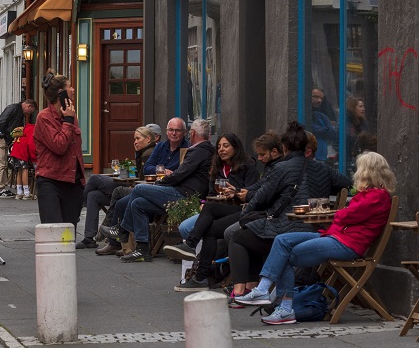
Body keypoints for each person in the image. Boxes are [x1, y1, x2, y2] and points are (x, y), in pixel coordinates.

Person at [236, 151, 395, 325]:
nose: (356, 173)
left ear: (366, 171)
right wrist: (341, 214)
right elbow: (345, 216)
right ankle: (263, 289)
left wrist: (341, 214)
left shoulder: (376, 197)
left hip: (346, 244)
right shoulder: (370, 195)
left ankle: (285, 308)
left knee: (287, 255)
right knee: (282, 240)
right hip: (336, 236)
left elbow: (346, 216)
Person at [226, 121, 350, 301]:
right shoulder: (323, 168)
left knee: (238, 237)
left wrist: (245, 216)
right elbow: (348, 184)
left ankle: (241, 291)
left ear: (284, 148)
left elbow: (260, 199)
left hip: (284, 230)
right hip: (314, 232)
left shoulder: (281, 168)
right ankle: (255, 289)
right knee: (251, 233)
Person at [105, 118, 214, 263]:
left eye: (178, 130)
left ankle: (122, 230)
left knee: (139, 188)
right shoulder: (199, 149)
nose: (174, 133)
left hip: (184, 196)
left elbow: (179, 174)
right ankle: (143, 250)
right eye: (171, 130)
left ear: (191, 133)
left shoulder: (199, 151)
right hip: (179, 191)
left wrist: (160, 182)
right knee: (138, 203)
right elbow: (159, 169)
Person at [168, 132, 260, 290]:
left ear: (235, 147)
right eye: (219, 147)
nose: (221, 150)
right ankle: (201, 277)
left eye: (226, 146)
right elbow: (211, 193)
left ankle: (191, 245)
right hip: (219, 209)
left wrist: (236, 191)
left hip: (242, 209)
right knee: (208, 225)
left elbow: (253, 194)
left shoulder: (248, 166)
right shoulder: (217, 166)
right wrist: (205, 202)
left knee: (208, 217)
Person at [78, 125, 158, 250]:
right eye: (134, 139)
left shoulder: (148, 153)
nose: (135, 142)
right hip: (132, 185)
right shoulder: (143, 152)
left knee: (94, 179)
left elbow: (144, 179)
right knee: (93, 195)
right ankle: (89, 238)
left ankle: (78, 209)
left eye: (138, 138)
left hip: (135, 188)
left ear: (148, 139)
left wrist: (129, 179)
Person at [32, 70, 84, 226]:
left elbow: (75, 149)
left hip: (72, 180)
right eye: (69, 86)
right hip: (51, 180)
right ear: (61, 93)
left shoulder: (71, 114)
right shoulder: (44, 117)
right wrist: (68, 121)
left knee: (69, 233)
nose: (73, 89)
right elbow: (59, 146)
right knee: (53, 232)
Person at [0, 99, 38, 197]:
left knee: (3, 163)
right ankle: (0, 188)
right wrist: (2, 134)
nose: (29, 114)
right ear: (28, 106)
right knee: (1, 163)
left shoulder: (19, 112)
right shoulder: (14, 108)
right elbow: (2, 121)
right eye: (30, 111)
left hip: (3, 137)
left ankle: (2, 187)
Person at [9, 123, 36, 199]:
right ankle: (26, 193)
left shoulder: (24, 133)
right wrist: (33, 158)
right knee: (25, 170)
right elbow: (31, 145)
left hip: (15, 152)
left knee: (18, 171)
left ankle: (19, 192)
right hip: (22, 153)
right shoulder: (32, 131)